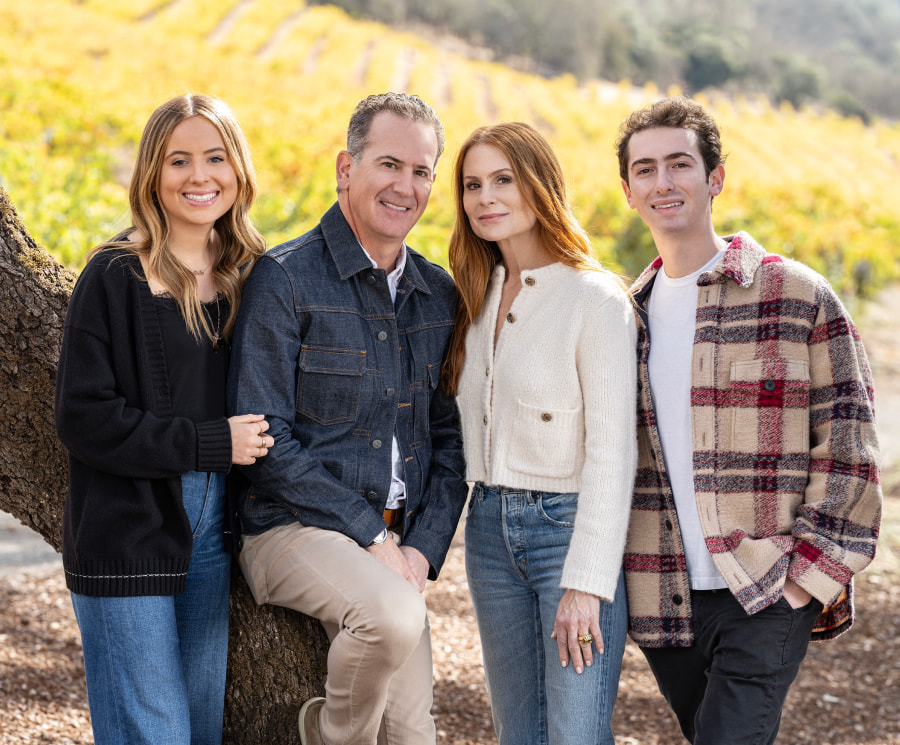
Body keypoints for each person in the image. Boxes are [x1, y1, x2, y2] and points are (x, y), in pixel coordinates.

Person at [616, 96, 883, 744]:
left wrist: (805, 579)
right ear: (627, 191)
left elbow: (850, 440)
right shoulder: (625, 317)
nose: (663, 182)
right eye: (645, 169)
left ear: (716, 177)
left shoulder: (795, 294)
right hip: (663, 601)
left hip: (765, 588)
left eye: (680, 163)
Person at [227, 92, 467, 745]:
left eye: (422, 171)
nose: (405, 185)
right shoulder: (285, 278)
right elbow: (266, 437)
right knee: (391, 616)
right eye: (389, 164)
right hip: (289, 529)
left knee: (414, 735)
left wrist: (421, 548)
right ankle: (327, 734)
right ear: (345, 167)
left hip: (397, 552)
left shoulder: (438, 294)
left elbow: (451, 443)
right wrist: (371, 535)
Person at [54, 93, 268, 745]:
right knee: (157, 732)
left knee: (199, 729)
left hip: (213, 535)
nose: (199, 176)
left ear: (238, 170)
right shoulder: (114, 274)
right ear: (152, 172)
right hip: (127, 529)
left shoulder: (247, 276)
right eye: (179, 160)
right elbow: (84, 418)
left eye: (215, 157)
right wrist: (212, 443)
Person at [442, 122, 638, 745]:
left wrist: (586, 583)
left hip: (569, 533)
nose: (484, 197)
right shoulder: (474, 293)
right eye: (472, 185)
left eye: (503, 180)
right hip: (490, 531)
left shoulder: (594, 298)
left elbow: (613, 454)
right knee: (517, 733)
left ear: (539, 186)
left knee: (576, 733)